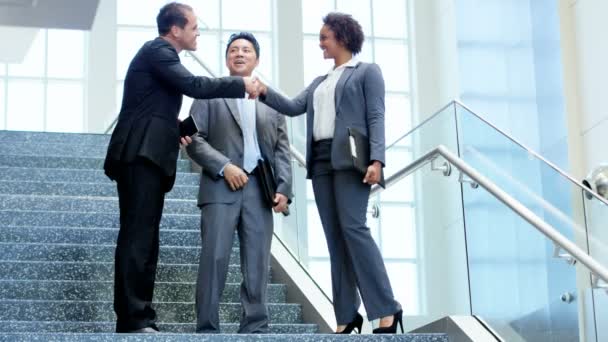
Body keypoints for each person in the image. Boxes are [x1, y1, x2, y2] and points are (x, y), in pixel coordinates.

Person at [103, 2, 261, 333]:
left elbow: (154, 107)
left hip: (151, 154)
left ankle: (139, 315)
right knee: (138, 238)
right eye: (193, 27)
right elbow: (195, 87)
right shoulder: (159, 50)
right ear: (175, 30)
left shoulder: (161, 57)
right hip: (140, 154)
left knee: (146, 238)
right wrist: (240, 84)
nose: (197, 32)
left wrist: (179, 128)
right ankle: (132, 318)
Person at [256, 13, 403, 334]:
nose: (320, 43)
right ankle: (347, 315)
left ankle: (387, 308)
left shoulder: (367, 72)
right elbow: (294, 106)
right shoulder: (321, 81)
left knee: (355, 230)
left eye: (324, 37)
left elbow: (376, 116)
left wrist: (377, 160)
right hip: (321, 163)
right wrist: (264, 90)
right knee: (335, 240)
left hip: (352, 161)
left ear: (342, 37)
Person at [186, 32, 292, 334]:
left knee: (257, 262)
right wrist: (224, 166)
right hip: (220, 187)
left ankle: (255, 327)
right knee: (214, 258)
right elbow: (192, 139)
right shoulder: (210, 93)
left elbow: (282, 148)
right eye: (234, 50)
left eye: (246, 50)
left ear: (256, 59)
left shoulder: (271, 101)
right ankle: (207, 328)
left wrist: (284, 188)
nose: (240, 53)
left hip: (261, 190)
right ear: (227, 59)